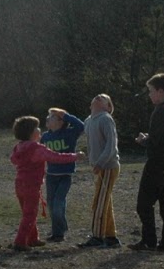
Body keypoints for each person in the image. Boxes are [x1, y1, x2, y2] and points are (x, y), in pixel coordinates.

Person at [9, 116, 82, 251]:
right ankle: (20, 241)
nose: (40, 130)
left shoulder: (18, 147)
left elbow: (13, 160)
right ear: (32, 132)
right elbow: (56, 157)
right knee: (30, 214)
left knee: (27, 212)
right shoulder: (37, 148)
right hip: (31, 185)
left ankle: (32, 238)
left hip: (19, 184)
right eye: (37, 128)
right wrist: (75, 156)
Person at [132, 72, 164, 252]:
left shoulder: (160, 111)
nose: (149, 95)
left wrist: (143, 140)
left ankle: (149, 240)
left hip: (158, 162)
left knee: (144, 204)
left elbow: (155, 141)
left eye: (151, 91)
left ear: (160, 92)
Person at [79, 93, 122, 248]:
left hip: (108, 166)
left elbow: (111, 145)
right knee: (105, 201)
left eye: (104, 98)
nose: (99, 97)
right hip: (98, 166)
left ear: (108, 107)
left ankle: (97, 237)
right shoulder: (89, 120)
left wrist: (101, 163)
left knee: (99, 203)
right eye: (97, 96)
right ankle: (111, 236)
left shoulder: (105, 118)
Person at [39, 106, 86, 242]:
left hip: (65, 175)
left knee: (58, 203)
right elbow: (39, 152)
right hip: (51, 176)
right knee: (51, 204)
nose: (48, 118)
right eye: (49, 116)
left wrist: (65, 115)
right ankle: (58, 230)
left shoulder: (69, 133)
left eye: (53, 117)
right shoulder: (45, 136)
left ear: (61, 121)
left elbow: (81, 126)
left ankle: (58, 233)